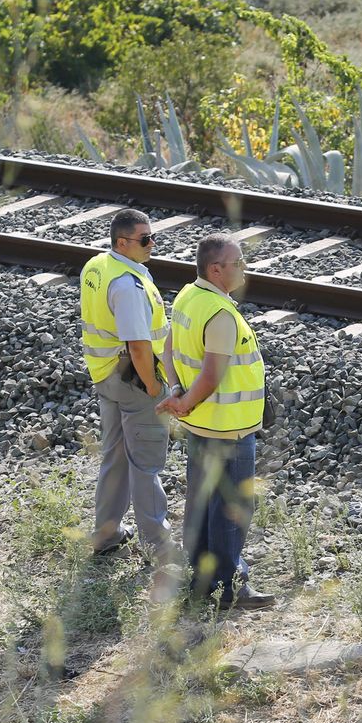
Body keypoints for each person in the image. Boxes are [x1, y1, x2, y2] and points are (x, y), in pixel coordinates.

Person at [158, 233, 275, 611]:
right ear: (216, 269)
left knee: (202, 502)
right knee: (231, 507)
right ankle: (229, 587)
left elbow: (168, 348)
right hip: (228, 429)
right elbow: (211, 376)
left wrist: (177, 392)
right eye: (237, 262)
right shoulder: (221, 314)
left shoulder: (188, 297)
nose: (244, 267)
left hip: (202, 425)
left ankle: (200, 578)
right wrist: (185, 402)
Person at [80, 209, 176, 559]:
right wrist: (154, 388)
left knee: (116, 456)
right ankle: (159, 546)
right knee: (146, 464)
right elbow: (138, 345)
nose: (152, 244)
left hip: (105, 374)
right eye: (145, 239)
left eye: (152, 236)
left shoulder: (98, 265)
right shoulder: (128, 286)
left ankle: (106, 534)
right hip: (135, 380)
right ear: (122, 242)